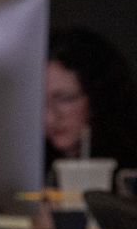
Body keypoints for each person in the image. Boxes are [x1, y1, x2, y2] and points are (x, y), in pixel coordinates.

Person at [45, 23, 137, 175]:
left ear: (98, 97)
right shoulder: (26, 171)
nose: (49, 118)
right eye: (39, 103)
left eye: (65, 99)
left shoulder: (129, 172)